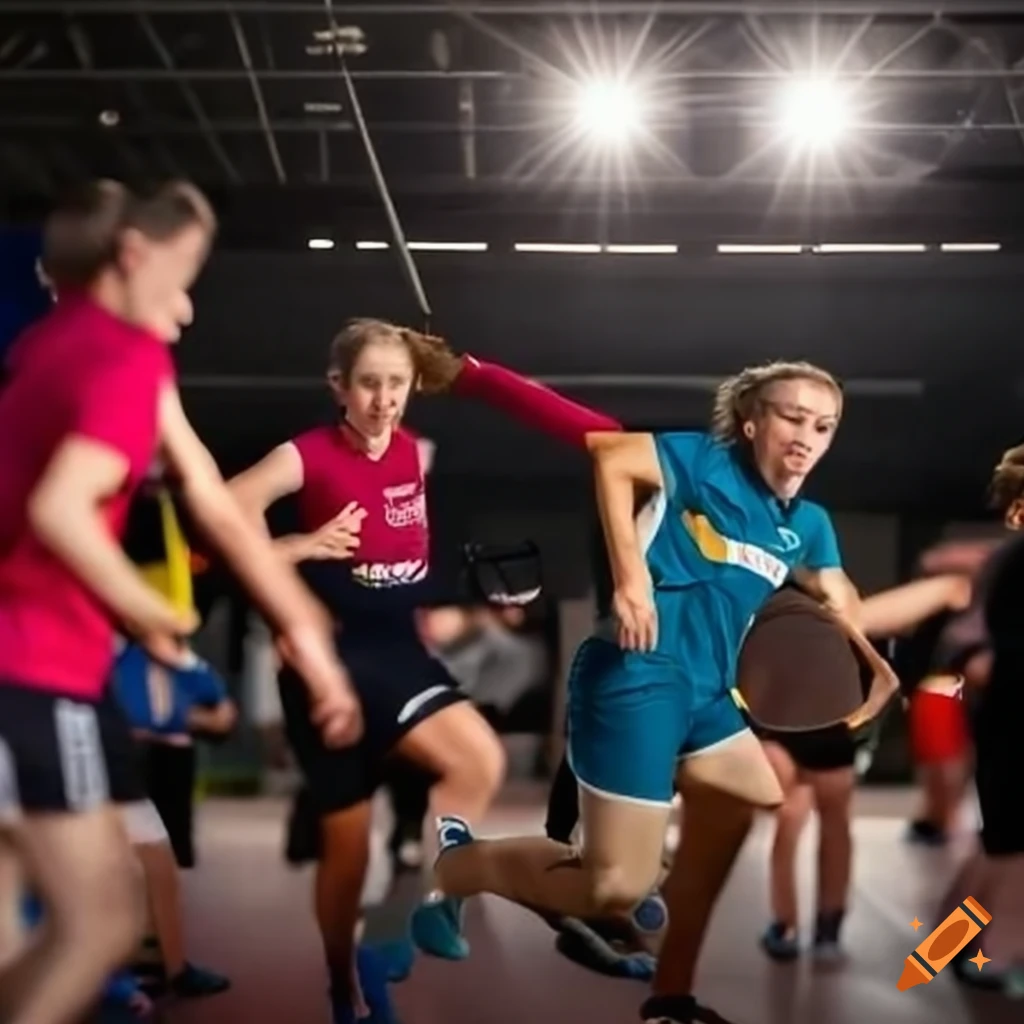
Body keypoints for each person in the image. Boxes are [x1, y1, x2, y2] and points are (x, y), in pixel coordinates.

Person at [0, 178, 359, 1024]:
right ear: (133, 257)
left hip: (27, 661)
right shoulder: (126, 357)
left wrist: (304, 627)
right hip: (33, 667)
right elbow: (60, 509)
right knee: (101, 921)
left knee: (15, 937)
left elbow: (212, 499)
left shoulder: (58, 345)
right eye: (184, 272)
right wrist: (156, 612)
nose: (191, 307)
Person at [414, 360, 860, 1024]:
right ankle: (460, 870)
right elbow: (612, 457)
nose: (806, 436)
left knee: (752, 795)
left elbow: (841, 596)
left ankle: (670, 994)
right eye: (792, 417)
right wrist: (631, 580)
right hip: (638, 674)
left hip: (709, 693)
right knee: (612, 885)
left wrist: (856, 622)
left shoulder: (807, 522)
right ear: (752, 420)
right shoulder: (699, 459)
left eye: (822, 426)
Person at [228, 318, 626, 1024]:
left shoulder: (416, 452)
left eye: (398, 384)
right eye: (370, 384)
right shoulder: (306, 454)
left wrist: (450, 612)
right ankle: (343, 983)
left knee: (476, 761)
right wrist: (302, 544)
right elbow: (224, 515)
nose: (384, 400)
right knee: (345, 854)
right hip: (334, 656)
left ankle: (432, 906)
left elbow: (403, 561)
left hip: (398, 651)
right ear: (339, 387)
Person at [732, 585, 899, 964]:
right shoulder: (830, 608)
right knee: (820, 823)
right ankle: (819, 927)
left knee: (799, 821)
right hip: (819, 729)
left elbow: (750, 681)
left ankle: (794, 926)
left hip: (797, 728)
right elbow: (882, 680)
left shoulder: (766, 607)